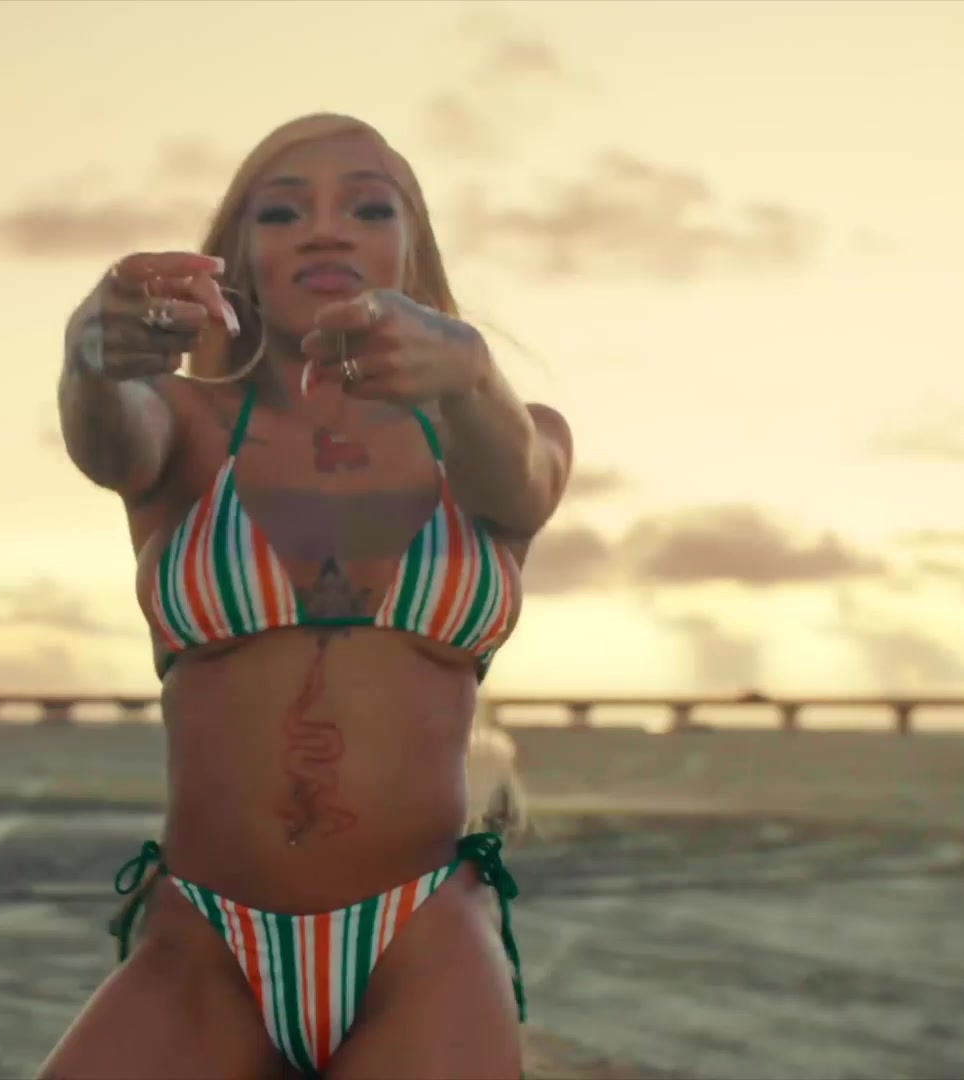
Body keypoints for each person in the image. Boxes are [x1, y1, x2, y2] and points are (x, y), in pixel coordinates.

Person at [44, 113, 574, 1079]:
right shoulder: (180, 424)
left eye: (367, 209)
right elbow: (105, 434)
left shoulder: (502, 431)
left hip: (418, 941)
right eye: (283, 213)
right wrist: (90, 352)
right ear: (238, 257)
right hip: (204, 942)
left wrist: (470, 370)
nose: (325, 231)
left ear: (412, 247)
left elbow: (523, 482)